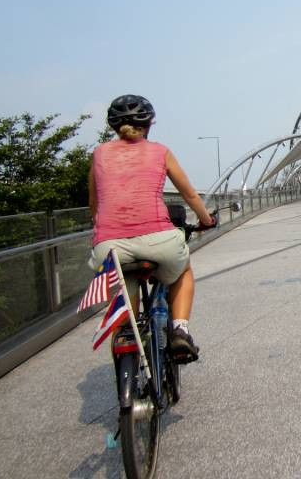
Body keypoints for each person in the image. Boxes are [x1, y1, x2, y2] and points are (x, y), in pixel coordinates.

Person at [88, 94, 216, 362]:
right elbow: (191, 196)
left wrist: (101, 232)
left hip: (110, 247)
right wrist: (206, 220)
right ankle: (180, 331)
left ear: (113, 126)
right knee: (183, 271)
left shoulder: (99, 154)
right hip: (160, 241)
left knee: (125, 303)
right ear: (148, 124)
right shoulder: (160, 151)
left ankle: (127, 337)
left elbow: (95, 204)